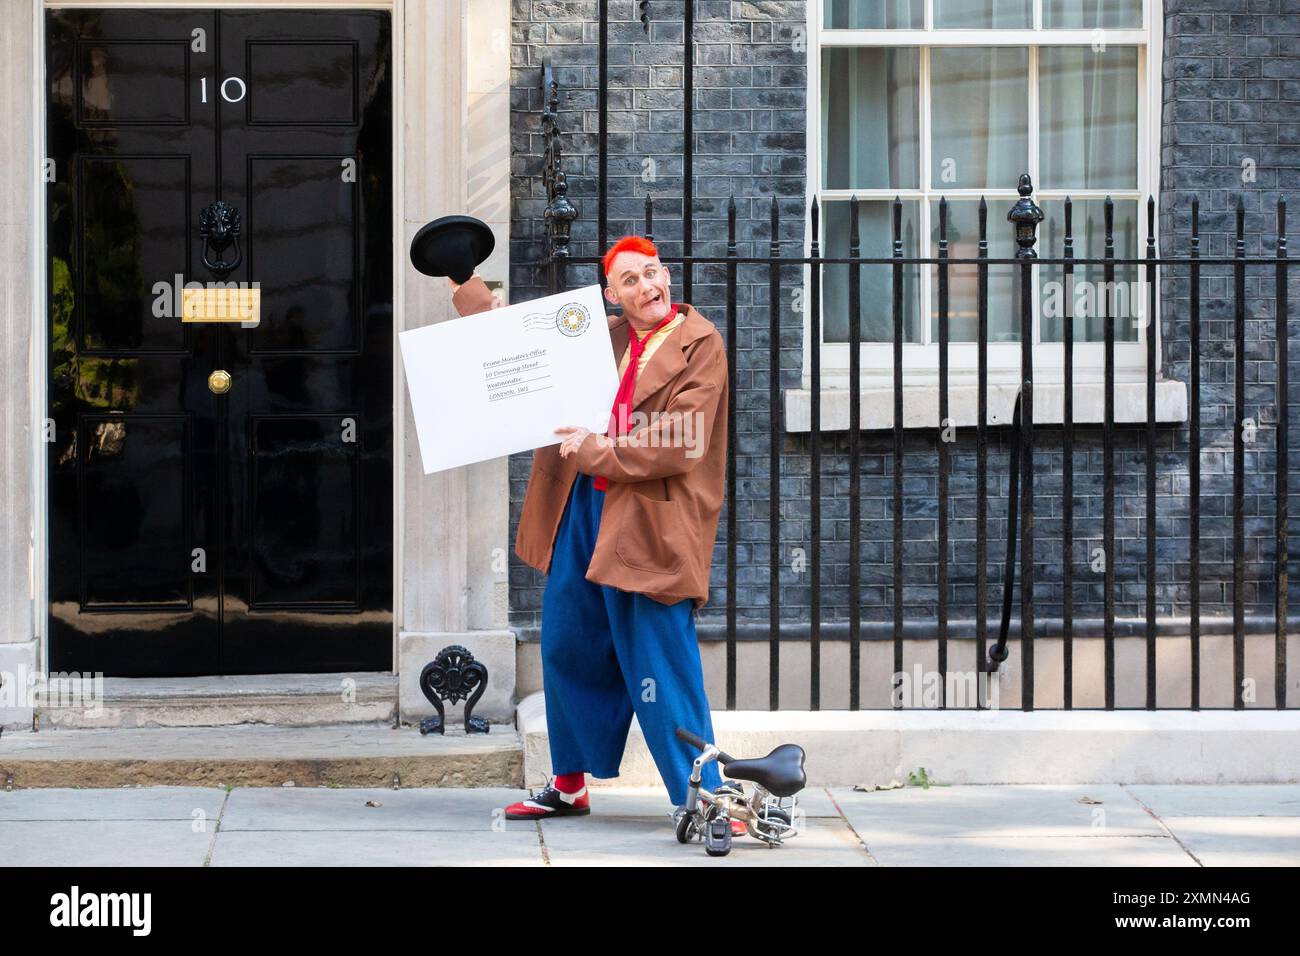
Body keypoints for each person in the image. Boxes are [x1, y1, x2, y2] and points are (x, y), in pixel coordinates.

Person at [448, 236, 740, 830]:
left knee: (661, 660)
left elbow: (682, 440)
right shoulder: (599, 334)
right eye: (630, 281)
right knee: (567, 642)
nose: (647, 287)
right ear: (614, 294)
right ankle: (569, 785)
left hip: (647, 516)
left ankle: (708, 798)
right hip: (584, 509)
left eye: (652, 273)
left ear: (666, 274)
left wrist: (598, 449)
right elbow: (515, 341)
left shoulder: (700, 343)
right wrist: (464, 285)